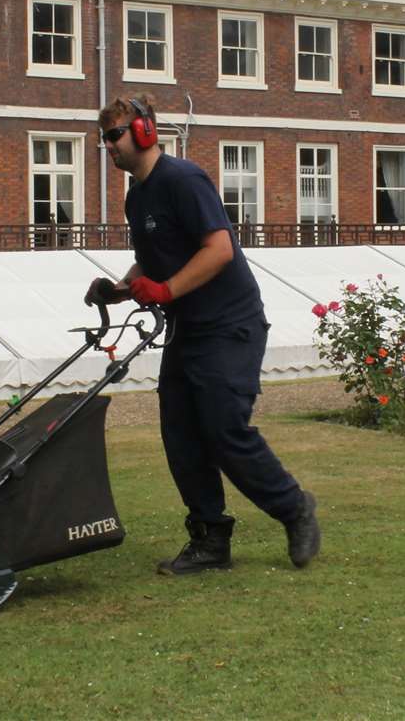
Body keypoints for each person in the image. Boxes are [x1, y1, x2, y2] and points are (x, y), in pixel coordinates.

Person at [83, 94, 321, 575]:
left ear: (145, 132)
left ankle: (294, 508)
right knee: (181, 434)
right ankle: (210, 538)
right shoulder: (137, 195)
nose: (108, 146)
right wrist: (122, 289)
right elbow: (154, 259)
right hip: (188, 328)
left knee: (223, 428)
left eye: (114, 135)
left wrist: (165, 290)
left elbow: (218, 251)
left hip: (230, 325)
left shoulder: (183, 179)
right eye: (103, 138)